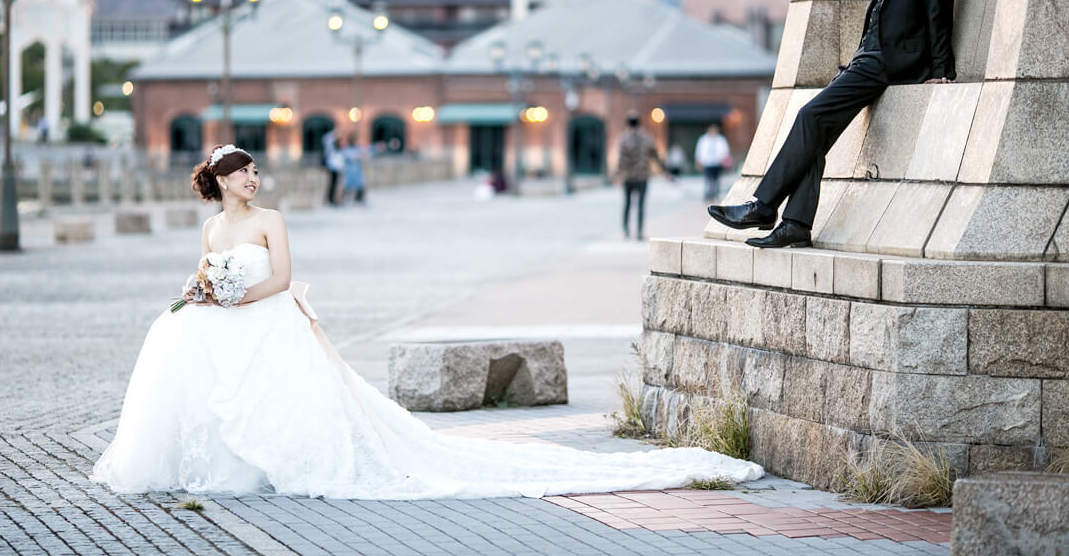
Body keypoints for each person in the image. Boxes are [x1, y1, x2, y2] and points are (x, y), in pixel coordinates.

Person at [91, 144, 762, 497]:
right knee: (180, 351)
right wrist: (202, 292)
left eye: (256, 172)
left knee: (281, 398)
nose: (255, 181)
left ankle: (267, 464)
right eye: (246, 174)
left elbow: (284, 278)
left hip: (269, 314)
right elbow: (206, 271)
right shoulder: (214, 225)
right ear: (225, 181)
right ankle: (213, 463)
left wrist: (240, 296)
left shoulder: (271, 222)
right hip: (225, 322)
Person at [708, 0, 956, 249]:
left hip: (891, 62)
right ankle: (795, 224)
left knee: (810, 115)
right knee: (815, 131)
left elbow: (939, 14)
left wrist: (942, 70)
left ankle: (763, 205)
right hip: (870, 58)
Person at [614, 112, 668, 240]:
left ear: (627, 123)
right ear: (639, 122)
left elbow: (622, 161)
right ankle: (639, 232)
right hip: (642, 176)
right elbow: (655, 156)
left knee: (627, 204)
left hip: (628, 177)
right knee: (641, 205)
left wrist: (618, 175)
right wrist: (664, 170)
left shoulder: (624, 139)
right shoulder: (647, 138)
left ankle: (626, 231)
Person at [694, 124, 731, 202]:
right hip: (707, 162)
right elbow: (699, 151)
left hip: (717, 162)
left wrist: (724, 160)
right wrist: (698, 161)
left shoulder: (721, 139)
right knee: (708, 179)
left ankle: (715, 194)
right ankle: (707, 194)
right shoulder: (703, 139)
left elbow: (725, 150)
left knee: (717, 179)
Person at [321, 129, 344, 206]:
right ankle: (331, 200)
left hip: (337, 169)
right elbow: (325, 139)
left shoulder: (338, 149)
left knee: (335, 185)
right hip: (333, 168)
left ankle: (334, 199)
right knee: (332, 184)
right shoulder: (331, 148)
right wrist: (334, 133)